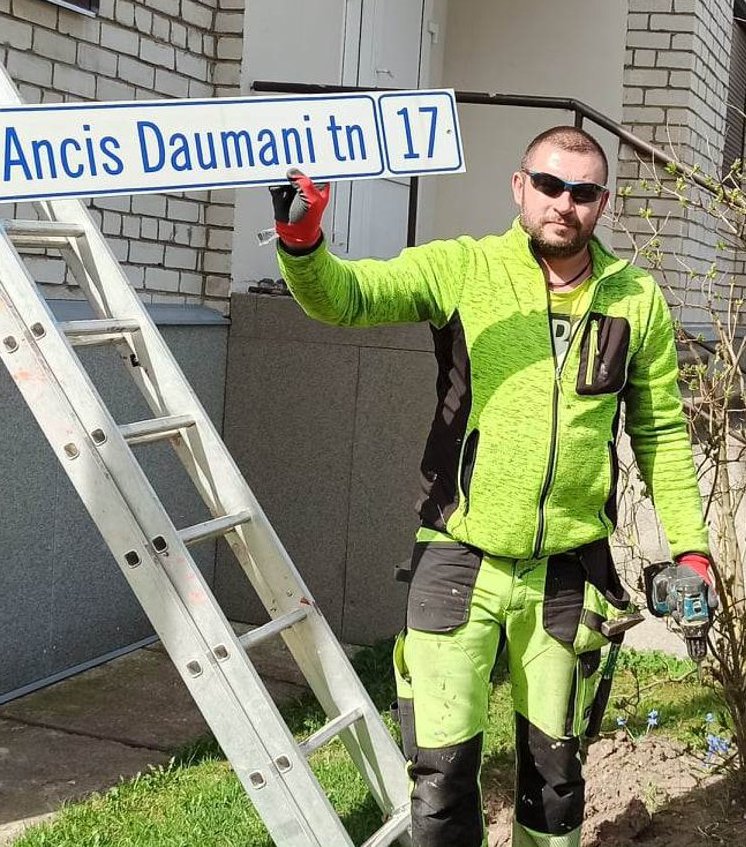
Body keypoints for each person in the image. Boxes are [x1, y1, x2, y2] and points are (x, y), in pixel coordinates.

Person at [268, 127, 713, 847]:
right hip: (458, 558)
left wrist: (691, 551)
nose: (563, 204)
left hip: (567, 571)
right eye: (548, 185)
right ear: (519, 186)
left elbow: (660, 433)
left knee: (556, 783)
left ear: (603, 203)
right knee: (442, 785)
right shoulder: (465, 269)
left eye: (583, 192)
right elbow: (346, 298)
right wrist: (304, 243)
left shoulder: (636, 299)